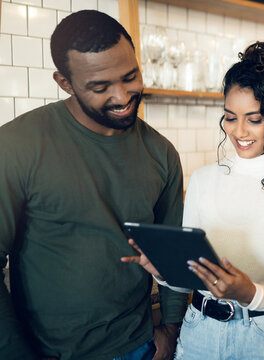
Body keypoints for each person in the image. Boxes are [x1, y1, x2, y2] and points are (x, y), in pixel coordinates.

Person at [0, 10, 188, 360]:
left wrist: (172, 330)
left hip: (140, 346)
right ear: (65, 83)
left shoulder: (161, 153)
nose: (121, 96)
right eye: (100, 87)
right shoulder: (17, 145)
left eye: (130, 76)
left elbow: (173, 248)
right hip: (48, 351)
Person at [122, 41, 264, 359]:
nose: (239, 131)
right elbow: (191, 280)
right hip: (199, 332)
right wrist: (163, 271)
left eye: (254, 119)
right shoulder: (204, 179)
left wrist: (249, 293)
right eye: (230, 117)